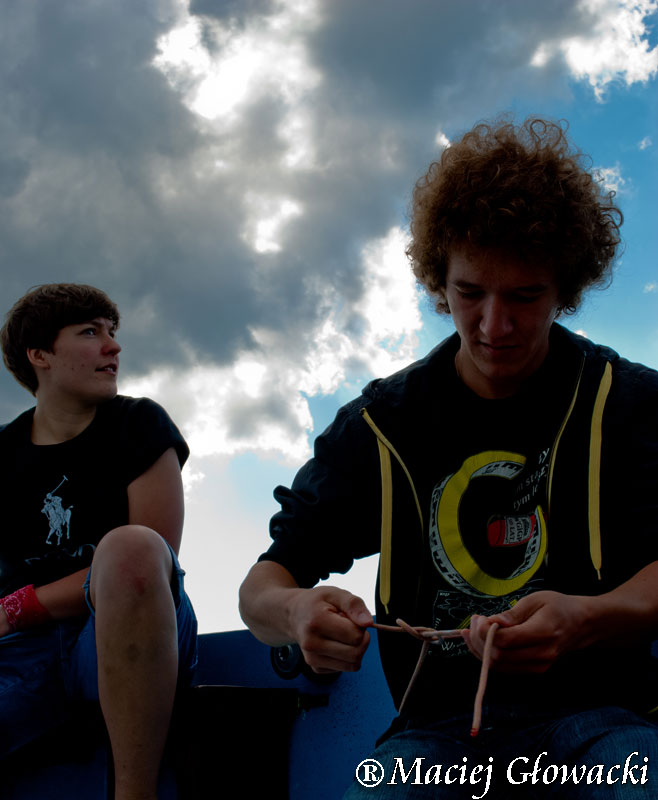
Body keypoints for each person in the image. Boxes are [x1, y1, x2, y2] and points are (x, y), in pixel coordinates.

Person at [239, 118, 658, 798]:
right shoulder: (381, 424)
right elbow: (264, 582)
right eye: (470, 293)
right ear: (440, 282)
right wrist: (295, 614)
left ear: (566, 287)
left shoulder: (629, 403)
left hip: (607, 724)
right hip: (432, 739)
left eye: (524, 296)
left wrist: (587, 620)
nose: (494, 326)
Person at [0, 283, 197, 800]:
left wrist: (18, 608)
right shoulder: (3, 454)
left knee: (131, 547)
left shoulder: (139, 423)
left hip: (124, 635)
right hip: (22, 656)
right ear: (39, 355)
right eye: (90, 332)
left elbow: (150, 562)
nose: (114, 346)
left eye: (112, 332)